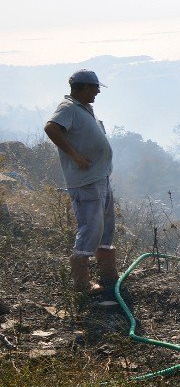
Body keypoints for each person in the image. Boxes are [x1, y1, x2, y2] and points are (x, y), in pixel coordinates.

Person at [44, 69, 118, 295]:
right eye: (95, 87)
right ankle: (81, 282)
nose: (98, 92)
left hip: (99, 177)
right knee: (91, 226)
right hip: (86, 180)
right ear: (84, 87)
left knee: (105, 225)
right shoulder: (68, 108)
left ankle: (108, 275)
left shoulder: (84, 109)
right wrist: (75, 155)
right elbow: (51, 127)